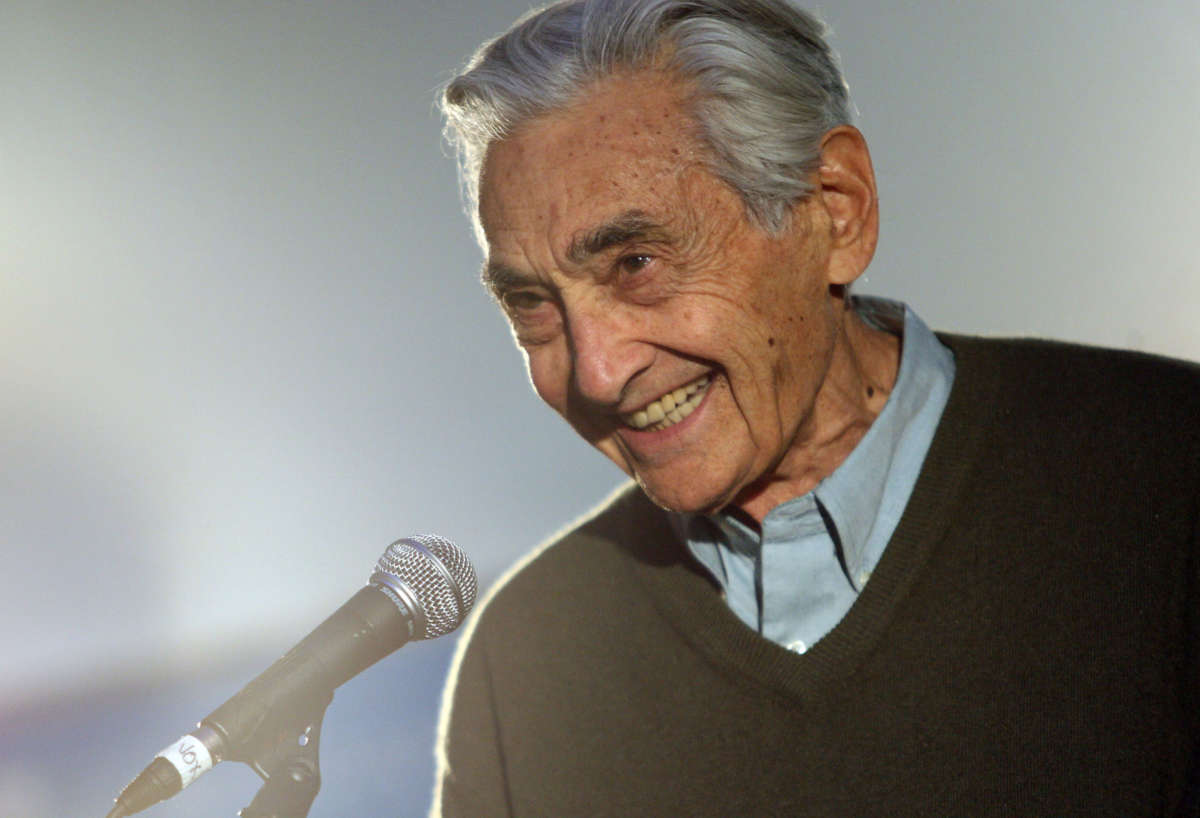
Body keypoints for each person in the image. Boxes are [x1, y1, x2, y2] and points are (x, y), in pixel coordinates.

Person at [432, 1, 1200, 815]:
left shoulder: (1172, 479)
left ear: (837, 210)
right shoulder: (525, 663)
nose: (596, 371)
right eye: (531, 304)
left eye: (636, 261)